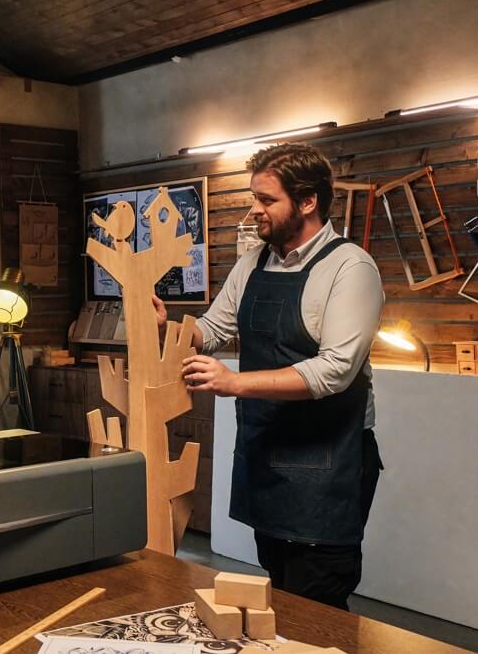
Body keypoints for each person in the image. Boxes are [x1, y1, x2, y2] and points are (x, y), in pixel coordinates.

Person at [154, 143, 385, 610]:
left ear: (307, 202)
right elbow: (212, 330)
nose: (254, 209)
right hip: (268, 457)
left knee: (316, 607)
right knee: (278, 595)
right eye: (254, 197)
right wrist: (166, 326)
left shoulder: (350, 268)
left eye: (266, 200)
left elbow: (334, 371)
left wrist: (235, 382)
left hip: (327, 466)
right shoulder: (253, 263)